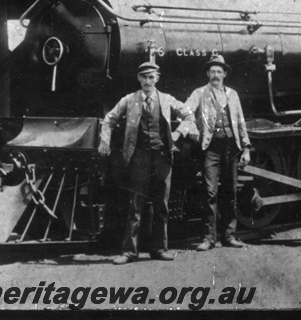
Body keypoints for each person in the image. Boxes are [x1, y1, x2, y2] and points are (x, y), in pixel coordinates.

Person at [98, 61, 196, 264]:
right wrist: (104, 141)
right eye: (144, 77)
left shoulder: (167, 100)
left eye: (151, 77)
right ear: (138, 79)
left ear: (157, 79)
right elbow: (108, 119)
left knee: (162, 205)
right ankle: (129, 252)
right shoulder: (129, 100)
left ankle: (159, 249)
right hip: (139, 158)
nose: (148, 81)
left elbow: (189, 115)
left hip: (162, 157)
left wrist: (179, 133)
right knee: (135, 205)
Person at [185, 54, 252, 251]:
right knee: (210, 192)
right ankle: (208, 238)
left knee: (230, 192)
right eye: (212, 71)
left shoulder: (233, 94)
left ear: (225, 74)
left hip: (231, 148)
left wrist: (246, 149)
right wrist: (192, 127)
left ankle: (229, 236)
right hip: (211, 149)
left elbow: (240, 122)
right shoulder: (199, 93)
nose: (215, 75)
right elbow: (186, 109)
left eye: (219, 72)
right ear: (207, 73)